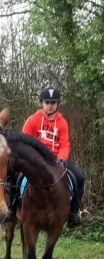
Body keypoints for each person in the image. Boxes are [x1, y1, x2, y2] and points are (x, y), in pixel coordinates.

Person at [7, 86, 93, 227]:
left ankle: (74, 213)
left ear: (57, 104)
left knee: (79, 177)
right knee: (15, 175)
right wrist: (31, 158)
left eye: (53, 103)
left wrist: (62, 159)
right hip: (35, 159)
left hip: (55, 159)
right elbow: (24, 141)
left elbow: (65, 144)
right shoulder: (33, 120)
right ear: (42, 103)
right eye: (47, 102)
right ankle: (11, 207)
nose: (50, 106)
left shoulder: (62, 122)